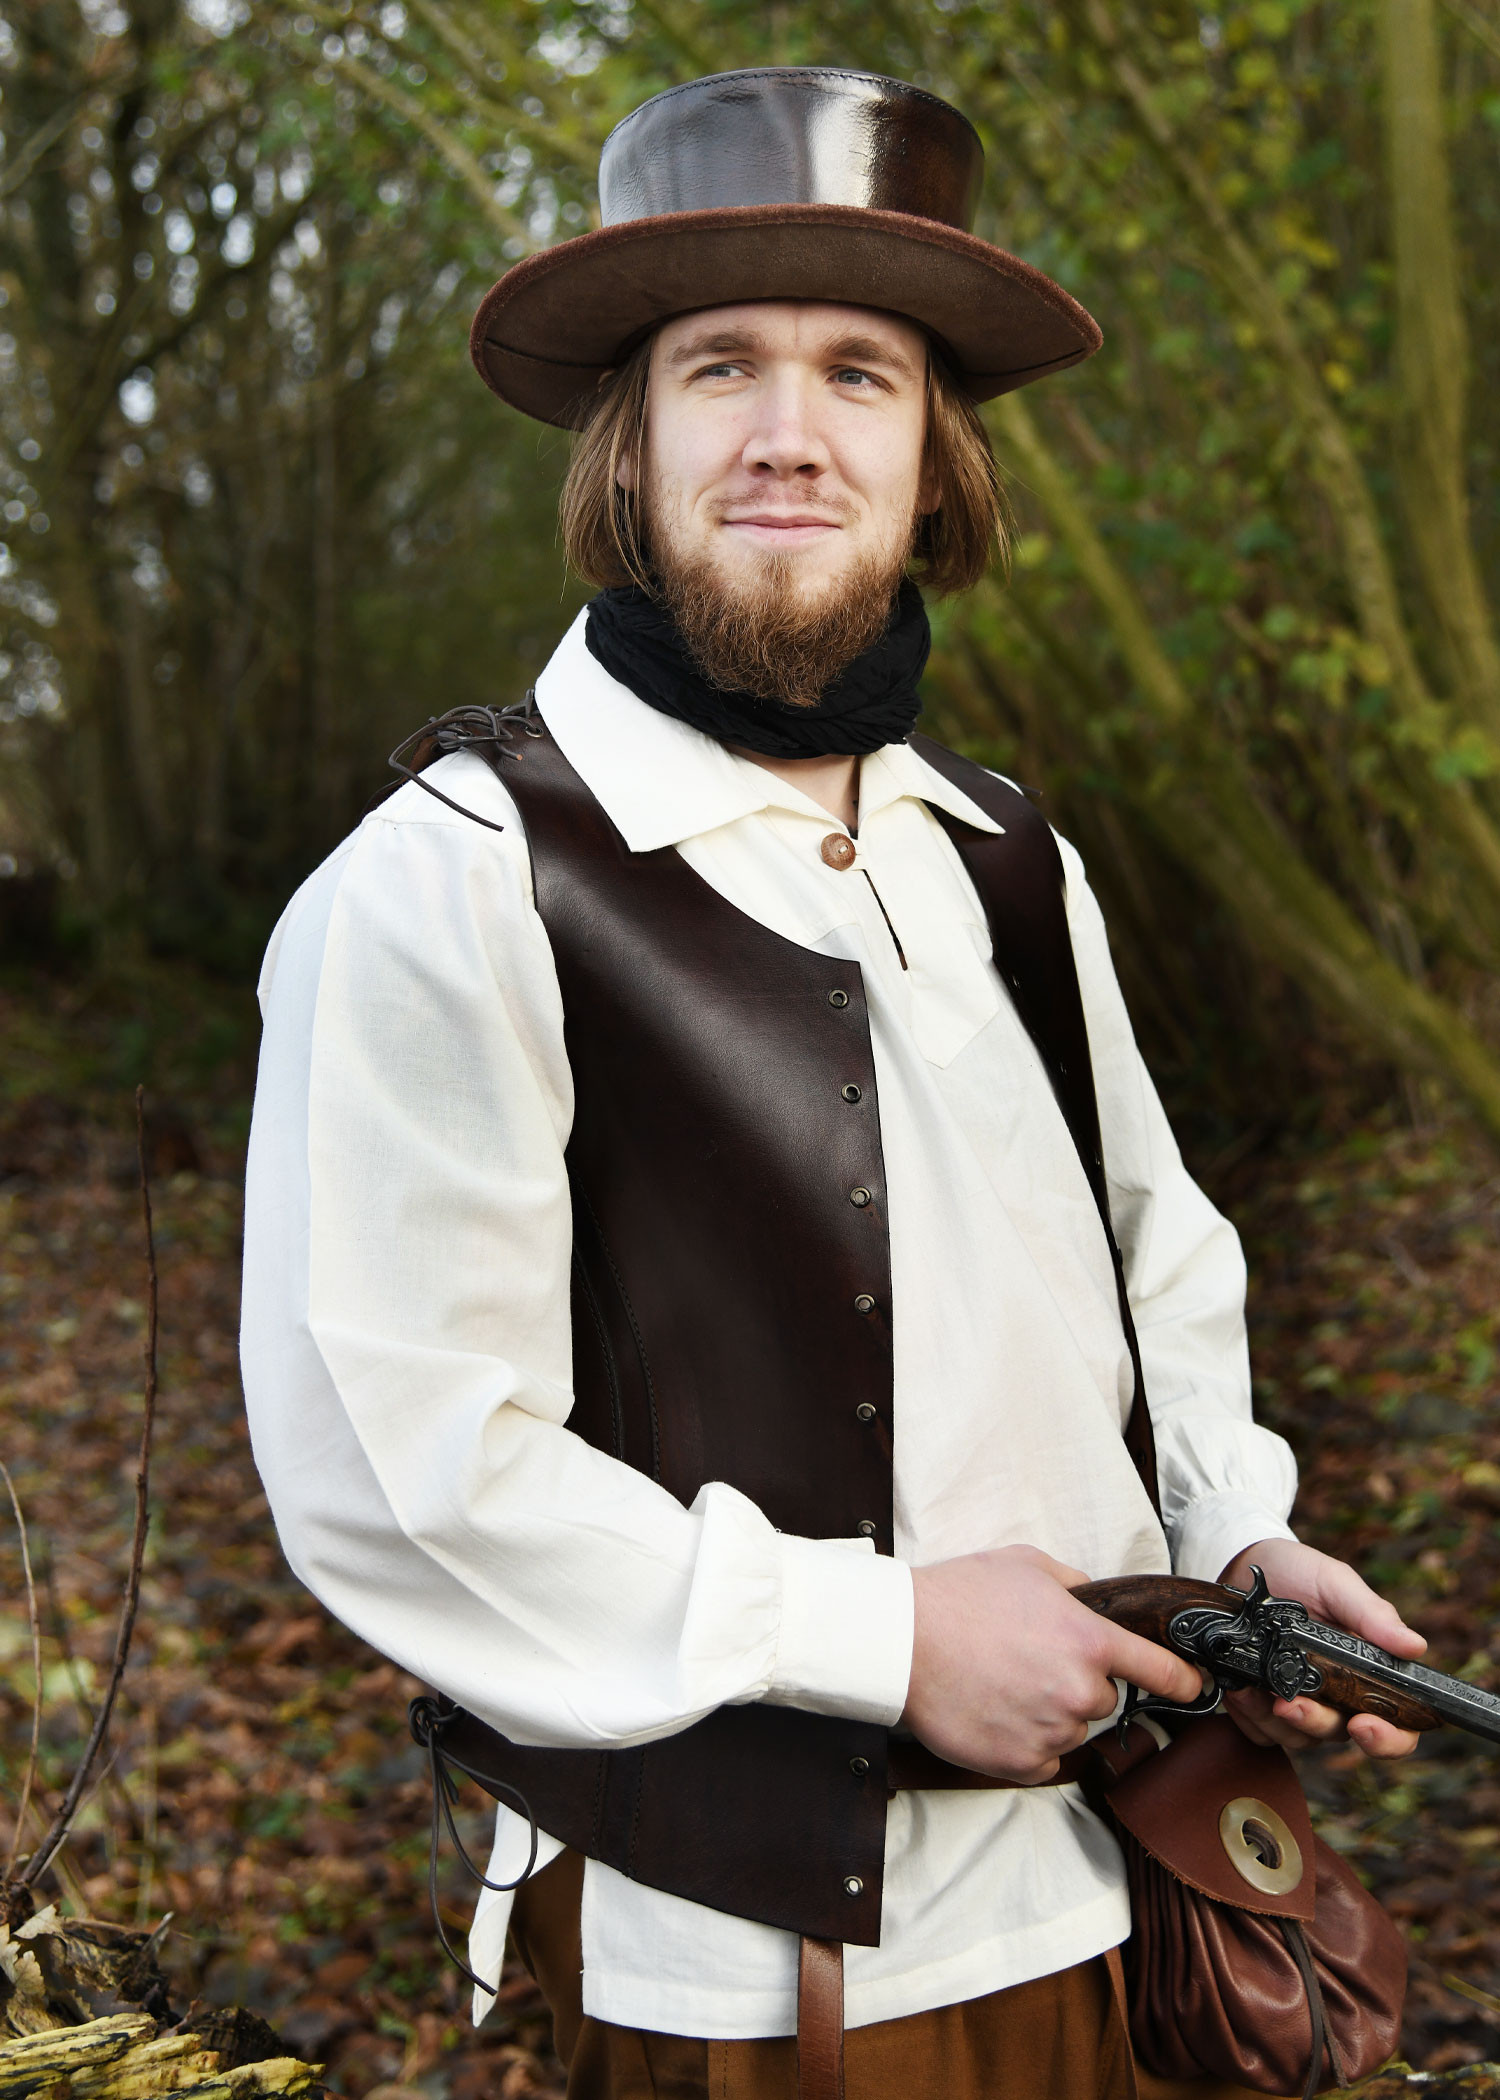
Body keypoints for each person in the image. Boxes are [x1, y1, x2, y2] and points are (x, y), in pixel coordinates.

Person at [241, 66, 1424, 2100]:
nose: (791, 436)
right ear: (630, 445)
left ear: (936, 455)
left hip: (1134, 1902)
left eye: (860, 376)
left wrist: (1240, 1543)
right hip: (756, 1983)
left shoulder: (1005, 852)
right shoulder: (446, 886)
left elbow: (1155, 1264)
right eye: (724, 370)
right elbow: (406, 1475)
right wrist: (882, 1643)